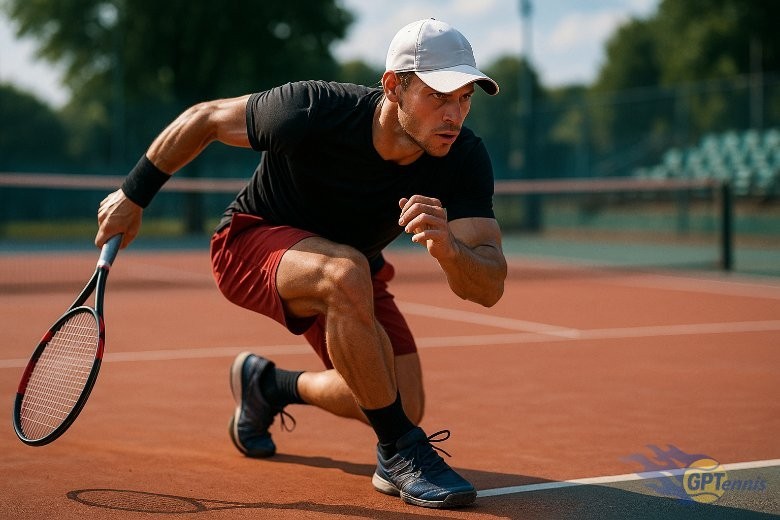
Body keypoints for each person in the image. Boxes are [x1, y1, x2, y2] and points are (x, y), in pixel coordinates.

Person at [95, 18, 507, 509]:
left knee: (402, 401)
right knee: (348, 275)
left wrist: (450, 251)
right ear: (394, 86)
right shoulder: (310, 110)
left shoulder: (463, 157)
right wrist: (133, 193)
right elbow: (204, 118)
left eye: (464, 97)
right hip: (249, 242)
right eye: (439, 95)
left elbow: (488, 287)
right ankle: (399, 450)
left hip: (350, 266)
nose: (454, 114)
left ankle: (268, 386)